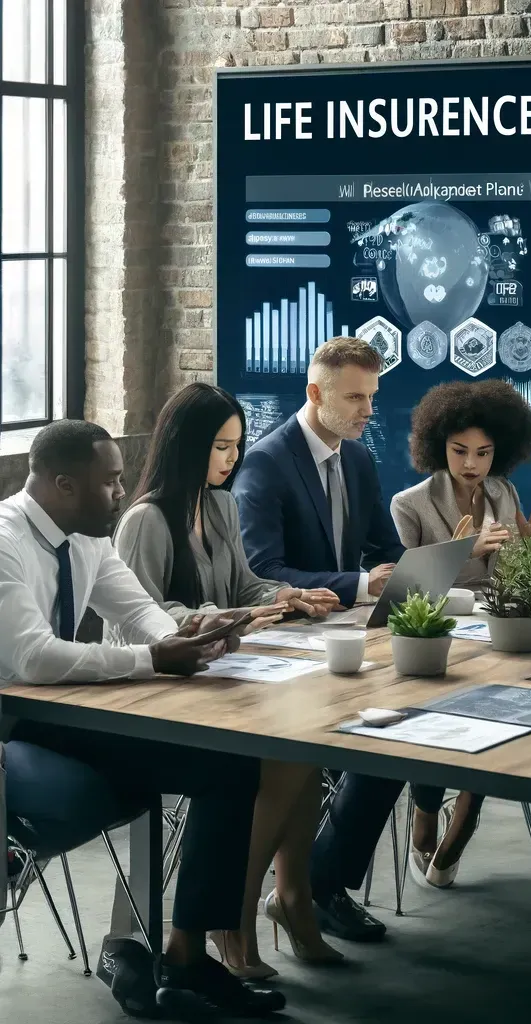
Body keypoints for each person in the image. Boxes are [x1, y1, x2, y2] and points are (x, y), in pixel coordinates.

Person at [0, 420, 284, 1018]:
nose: (122, 495)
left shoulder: (86, 536)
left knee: (230, 763)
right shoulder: (5, 539)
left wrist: (192, 635)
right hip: (13, 720)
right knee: (214, 762)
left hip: (66, 710)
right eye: (110, 483)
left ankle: (184, 961)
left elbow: (140, 612)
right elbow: (31, 657)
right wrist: (152, 659)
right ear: (63, 484)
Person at [112, 382, 344, 978]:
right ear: (187, 446)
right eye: (220, 446)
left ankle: (287, 902)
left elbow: (243, 588)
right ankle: (234, 919)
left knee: (307, 748)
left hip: (222, 672)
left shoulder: (221, 505)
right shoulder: (146, 520)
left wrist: (288, 595)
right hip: (161, 689)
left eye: (237, 446)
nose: (232, 459)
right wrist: (208, 619)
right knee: (286, 756)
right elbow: (136, 623)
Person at [233, 336, 404, 944]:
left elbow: (388, 549)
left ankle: (319, 883)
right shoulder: (265, 462)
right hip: (286, 652)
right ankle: (305, 892)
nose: (366, 410)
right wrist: (359, 583)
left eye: (371, 397)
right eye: (354, 397)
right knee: (372, 748)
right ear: (315, 394)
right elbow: (260, 571)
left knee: (400, 739)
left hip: (349, 640)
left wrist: (415, 574)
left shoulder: (357, 457)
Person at [390, 379, 531, 888]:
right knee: (442, 719)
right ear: (439, 447)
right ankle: (425, 809)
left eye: (483, 452)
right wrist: (464, 553)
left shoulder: (504, 492)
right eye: (460, 451)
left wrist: (530, 547)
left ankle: (460, 828)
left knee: (496, 722)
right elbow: (407, 592)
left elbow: (515, 575)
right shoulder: (408, 505)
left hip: (496, 633)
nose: (472, 463)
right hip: (440, 637)